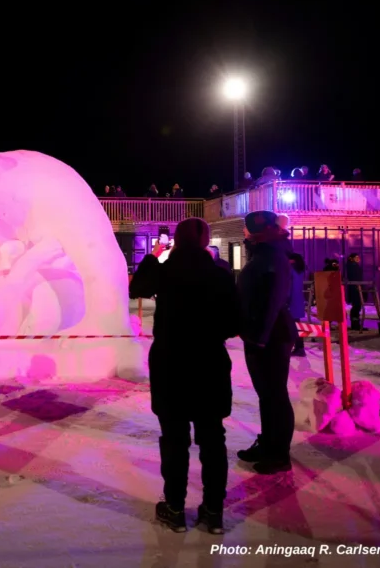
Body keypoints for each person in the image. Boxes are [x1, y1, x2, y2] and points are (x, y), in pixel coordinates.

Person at [130, 218, 239, 534]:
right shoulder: (221, 276)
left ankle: (175, 508)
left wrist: (154, 254)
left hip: (171, 365)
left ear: (174, 240)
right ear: (206, 241)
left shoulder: (165, 271)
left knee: (175, 438)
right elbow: (234, 324)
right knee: (212, 439)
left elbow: (137, 288)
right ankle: (214, 512)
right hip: (210, 365)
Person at [236, 211, 296, 475]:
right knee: (267, 395)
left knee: (275, 394)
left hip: (270, 336)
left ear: (256, 231)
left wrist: (259, 336)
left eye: (246, 229)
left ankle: (279, 452)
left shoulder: (270, 255)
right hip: (262, 334)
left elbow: (271, 299)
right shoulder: (265, 252)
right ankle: (268, 442)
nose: (244, 233)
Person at [288, 253, 307, 356]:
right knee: (296, 325)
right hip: (297, 300)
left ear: (292, 260)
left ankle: (298, 347)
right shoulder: (299, 270)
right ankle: (299, 347)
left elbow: (288, 287)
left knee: (291, 326)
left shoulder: (290, 270)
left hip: (290, 301)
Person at [346, 253, 364, 332]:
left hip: (356, 287)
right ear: (352, 258)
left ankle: (356, 324)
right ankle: (355, 324)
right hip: (355, 288)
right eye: (356, 257)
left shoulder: (354, 266)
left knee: (357, 305)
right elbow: (354, 277)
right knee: (357, 305)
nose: (358, 258)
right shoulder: (352, 266)